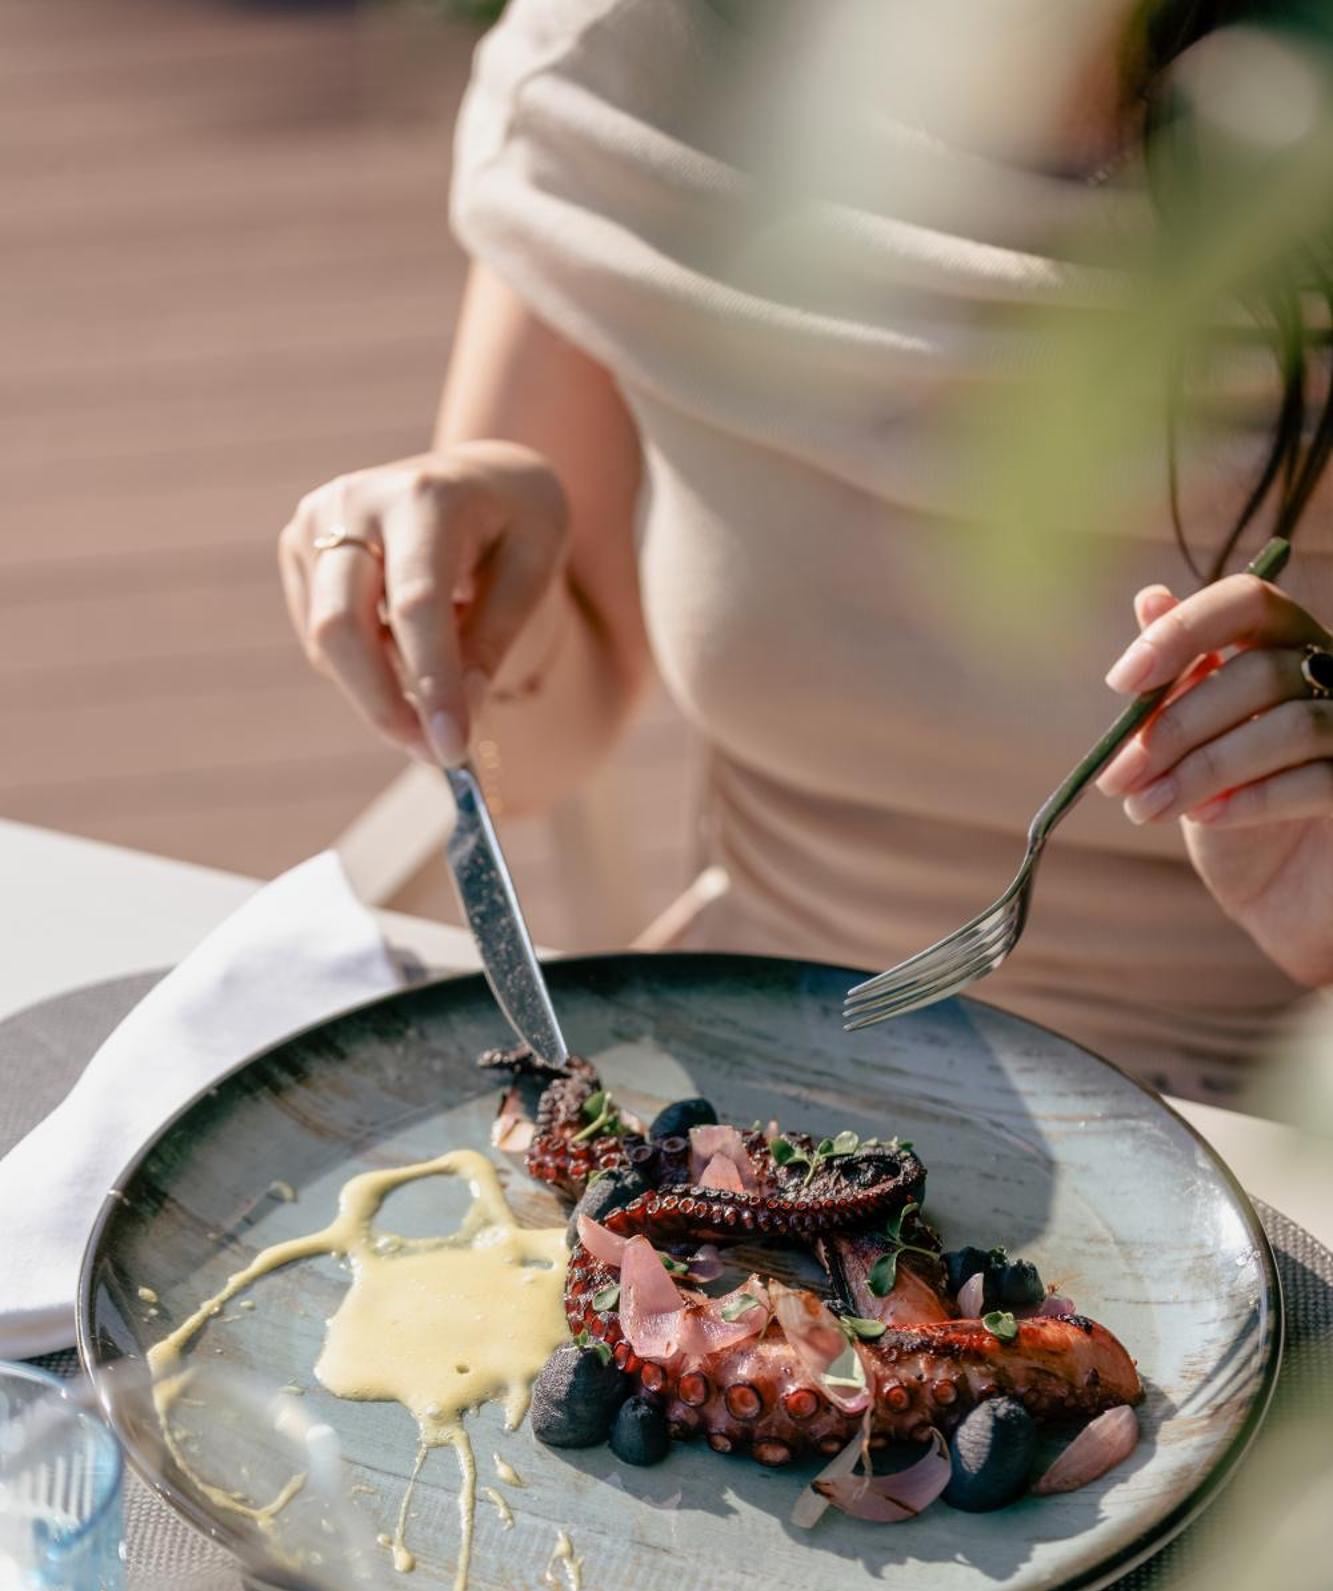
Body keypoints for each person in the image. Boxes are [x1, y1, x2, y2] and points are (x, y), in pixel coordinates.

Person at [278, 0, 1333, 1103]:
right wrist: (463, 619)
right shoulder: (638, 61)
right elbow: (528, 758)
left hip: (1273, 1119)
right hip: (760, 1076)